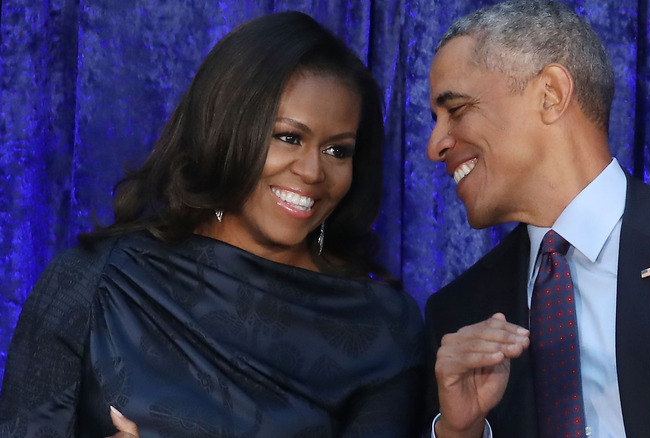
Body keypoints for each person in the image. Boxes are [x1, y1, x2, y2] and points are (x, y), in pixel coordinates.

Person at [0, 11, 425, 437]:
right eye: (288, 137)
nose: (313, 171)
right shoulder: (93, 281)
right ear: (223, 130)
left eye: (337, 151)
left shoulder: (381, 329)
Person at [423, 1, 650, 437]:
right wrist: (461, 432)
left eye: (456, 110)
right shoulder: (459, 313)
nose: (435, 144)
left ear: (551, 94)